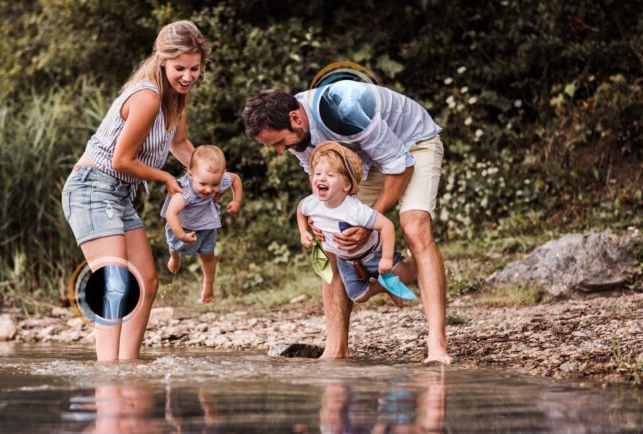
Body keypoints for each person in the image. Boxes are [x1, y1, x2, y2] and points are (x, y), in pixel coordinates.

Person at [243, 79, 452, 364]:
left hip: (412, 144)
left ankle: (437, 346)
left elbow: (400, 166)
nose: (281, 151)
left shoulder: (344, 108)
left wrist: (369, 223)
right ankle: (335, 349)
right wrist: (322, 217)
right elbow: (317, 176)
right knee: (330, 238)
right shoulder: (296, 131)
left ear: (295, 118)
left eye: (280, 143)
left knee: (414, 227)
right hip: (364, 160)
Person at [62, 20, 211, 361]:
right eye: (180, 69)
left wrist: (210, 179)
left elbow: (181, 143)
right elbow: (121, 160)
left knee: (146, 280)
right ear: (162, 60)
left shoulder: (177, 98)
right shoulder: (147, 97)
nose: (188, 76)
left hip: (119, 195)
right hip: (92, 188)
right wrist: (166, 180)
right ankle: (107, 370)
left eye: (195, 68)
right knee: (114, 282)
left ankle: (126, 365)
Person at [296, 142, 416, 306]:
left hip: (374, 253)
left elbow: (386, 226)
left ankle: (415, 258)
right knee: (358, 296)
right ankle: (386, 286)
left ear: (346, 185)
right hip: (346, 261)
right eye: (317, 173)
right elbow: (300, 211)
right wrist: (304, 232)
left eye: (330, 175)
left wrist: (386, 259)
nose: (321, 178)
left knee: (406, 276)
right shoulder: (311, 203)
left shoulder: (354, 209)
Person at [160, 145, 243, 304]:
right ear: (190, 174)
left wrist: (236, 200)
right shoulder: (184, 192)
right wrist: (181, 235)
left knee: (208, 255)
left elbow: (235, 179)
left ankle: (208, 284)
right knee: (175, 245)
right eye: (203, 184)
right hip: (182, 226)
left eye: (214, 184)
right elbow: (171, 214)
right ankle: (175, 257)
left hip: (206, 226)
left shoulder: (218, 179)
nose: (208, 189)